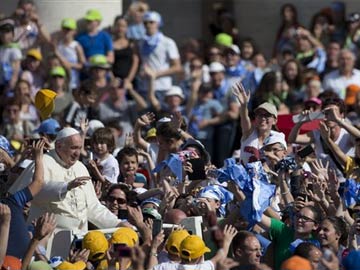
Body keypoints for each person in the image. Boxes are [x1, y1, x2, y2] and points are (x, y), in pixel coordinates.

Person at [9, 127, 124, 233]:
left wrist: (117, 223)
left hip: (80, 235)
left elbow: (93, 206)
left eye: (79, 148)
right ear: (59, 146)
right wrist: (65, 187)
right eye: (73, 148)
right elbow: (29, 192)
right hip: (49, 236)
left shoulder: (81, 168)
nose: (77, 153)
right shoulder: (42, 163)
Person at [233, 82, 286, 165]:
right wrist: (244, 106)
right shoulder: (249, 133)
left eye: (267, 115)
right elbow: (244, 118)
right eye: (259, 115)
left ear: (275, 121)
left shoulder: (278, 139)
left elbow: (280, 163)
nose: (263, 118)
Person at [258, 205, 321, 270]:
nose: (299, 220)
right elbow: (257, 217)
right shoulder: (283, 231)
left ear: (315, 226)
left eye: (305, 218)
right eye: (298, 216)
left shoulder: (315, 244)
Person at [138, 11, 182, 98]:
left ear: (158, 24)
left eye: (151, 22)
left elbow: (177, 67)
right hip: (144, 87)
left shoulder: (168, 42)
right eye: (145, 23)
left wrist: (156, 74)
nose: (148, 25)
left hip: (162, 87)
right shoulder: (141, 42)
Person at [54, 18, 86, 90]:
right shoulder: (59, 45)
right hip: (61, 83)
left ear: (74, 31)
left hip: (74, 82)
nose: (66, 32)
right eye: (64, 29)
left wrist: (70, 65)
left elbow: (82, 64)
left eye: (69, 29)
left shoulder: (76, 46)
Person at [112, 15, 139, 84]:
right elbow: (108, 64)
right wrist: (112, 79)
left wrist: (128, 80)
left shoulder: (132, 44)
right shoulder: (109, 44)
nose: (120, 29)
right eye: (118, 25)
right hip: (114, 83)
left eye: (123, 26)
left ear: (127, 28)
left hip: (130, 82)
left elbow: (135, 62)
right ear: (114, 26)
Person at [0, 19, 22, 93]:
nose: (4, 34)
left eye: (7, 32)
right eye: (2, 32)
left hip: (8, 86)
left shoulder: (14, 50)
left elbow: (16, 70)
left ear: (12, 35)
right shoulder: (2, 48)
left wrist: (11, 85)